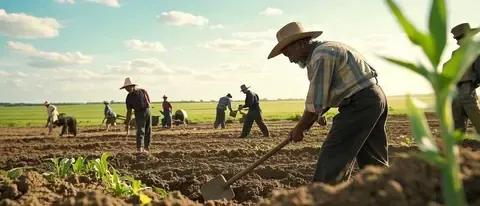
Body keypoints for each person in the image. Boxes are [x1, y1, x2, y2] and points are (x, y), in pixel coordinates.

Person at [268, 22, 388, 183]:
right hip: (374, 98)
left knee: (333, 156)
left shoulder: (321, 55)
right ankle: (388, 194)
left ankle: (323, 197)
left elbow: (315, 101)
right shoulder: (326, 50)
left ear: (301, 43)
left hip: (360, 103)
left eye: (288, 54)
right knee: (373, 159)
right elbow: (329, 95)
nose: (290, 60)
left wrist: (300, 128)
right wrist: (316, 115)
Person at [449, 23, 480, 133]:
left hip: (462, 89)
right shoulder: (457, 53)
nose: (458, 41)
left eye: (459, 38)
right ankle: (458, 147)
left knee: (471, 120)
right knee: (459, 122)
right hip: (460, 90)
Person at [120, 77, 152, 153]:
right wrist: (127, 122)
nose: (127, 89)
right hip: (140, 112)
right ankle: (140, 149)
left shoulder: (142, 91)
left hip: (147, 111)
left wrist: (127, 122)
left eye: (128, 87)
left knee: (147, 130)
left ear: (132, 86)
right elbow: (129, 111)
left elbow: (149, 102)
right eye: (126, 88)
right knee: (141, 130)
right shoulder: (129, 97)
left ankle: (145, 148)